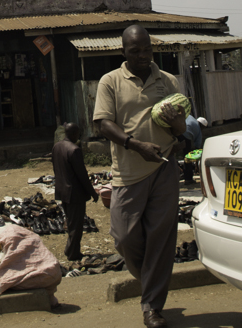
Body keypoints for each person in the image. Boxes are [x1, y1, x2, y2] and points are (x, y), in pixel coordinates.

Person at [93, 24, 185, 328]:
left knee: (161, 238)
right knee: (124, 237)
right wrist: (135, 145)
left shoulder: (168, 81)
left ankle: (152, 307)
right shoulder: (110, 81)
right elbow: (103, 124)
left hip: (164, 167)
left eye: (147, 49)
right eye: (135, 51)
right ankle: (150, 279)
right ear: (124, 52)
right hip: (128, 172)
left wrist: (177, 124)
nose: (143, 55)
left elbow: (181, 129)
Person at [51, 123, 99, 261]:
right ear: (74, 134)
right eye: (78, 133)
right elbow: (82, 175)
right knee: (76, 225)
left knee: (71, 222)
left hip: (62, 191)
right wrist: (93, 192)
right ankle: (73, 253)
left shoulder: (57, 146)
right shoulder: (74, 150)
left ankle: (70, 249)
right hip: (74, 193)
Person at [180, 114, 205, 183]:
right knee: (188, 157)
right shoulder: (199, 131)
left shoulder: (191, 117)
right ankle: (188, 179)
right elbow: (196, 152)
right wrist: (196, 166)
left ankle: (182, 173)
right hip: (186, 135)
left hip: (178, 130)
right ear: (202, 126)